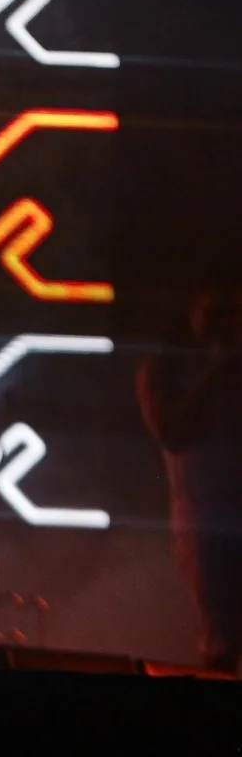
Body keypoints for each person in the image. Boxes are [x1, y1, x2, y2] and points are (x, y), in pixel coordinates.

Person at [136, 284, 242, 672]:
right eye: (216, 312)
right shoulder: (164, 369)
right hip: (206, 519)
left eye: (234, 312)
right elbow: (173, 433)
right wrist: (217, 370)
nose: (227, 322)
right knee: (221, 637)